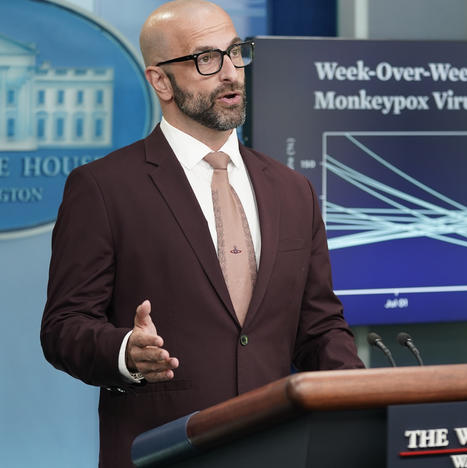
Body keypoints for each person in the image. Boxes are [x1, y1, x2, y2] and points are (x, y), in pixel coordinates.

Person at [40, 1, 364, 466]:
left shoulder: (294, 191)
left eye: (236, 52)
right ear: (160, 81)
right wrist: (127, 352)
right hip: (164, 451)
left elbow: (319, 327)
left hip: (279, 448)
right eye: (206, 59)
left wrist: (360, 394)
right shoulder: (103, 188)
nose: (231, 73)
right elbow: (63, 328)